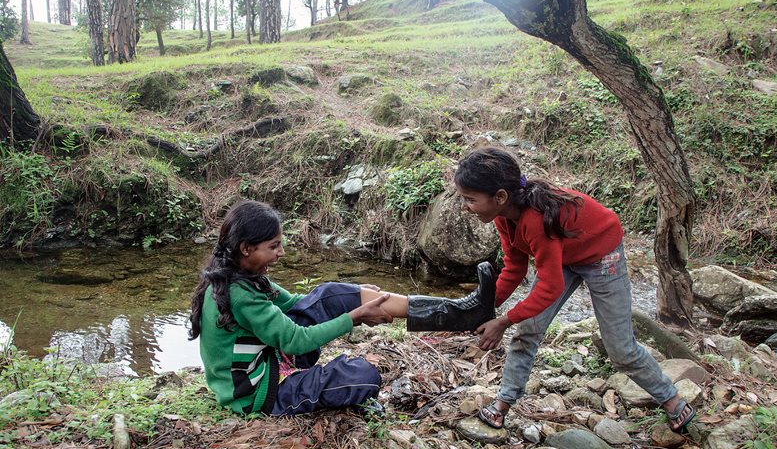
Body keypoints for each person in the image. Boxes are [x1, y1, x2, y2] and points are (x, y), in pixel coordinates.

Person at [453, 146, 695, 433]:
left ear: (500, 197)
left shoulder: (535, 219)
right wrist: (483, 308)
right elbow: (514, 269)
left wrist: (503, 321)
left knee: (621, 349)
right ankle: (502, 405)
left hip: (602, 254)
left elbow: (550, 287)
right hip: (563, 254)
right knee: (527, 329)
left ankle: (673, 400)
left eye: (470, 199)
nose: (464, 206)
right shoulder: (505, 217)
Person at [188, 200, 496, 416]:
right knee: (363, 376)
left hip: (269, 362)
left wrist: (352, 295)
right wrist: (353, 318)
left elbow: (299, 304)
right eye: (274, 246)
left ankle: (461, 312)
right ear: (246, 248)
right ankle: (461, 313)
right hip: (257, 395)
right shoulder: (241, 293)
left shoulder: (240, 274)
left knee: (328, 292)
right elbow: (296, 340)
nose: (281, 252)